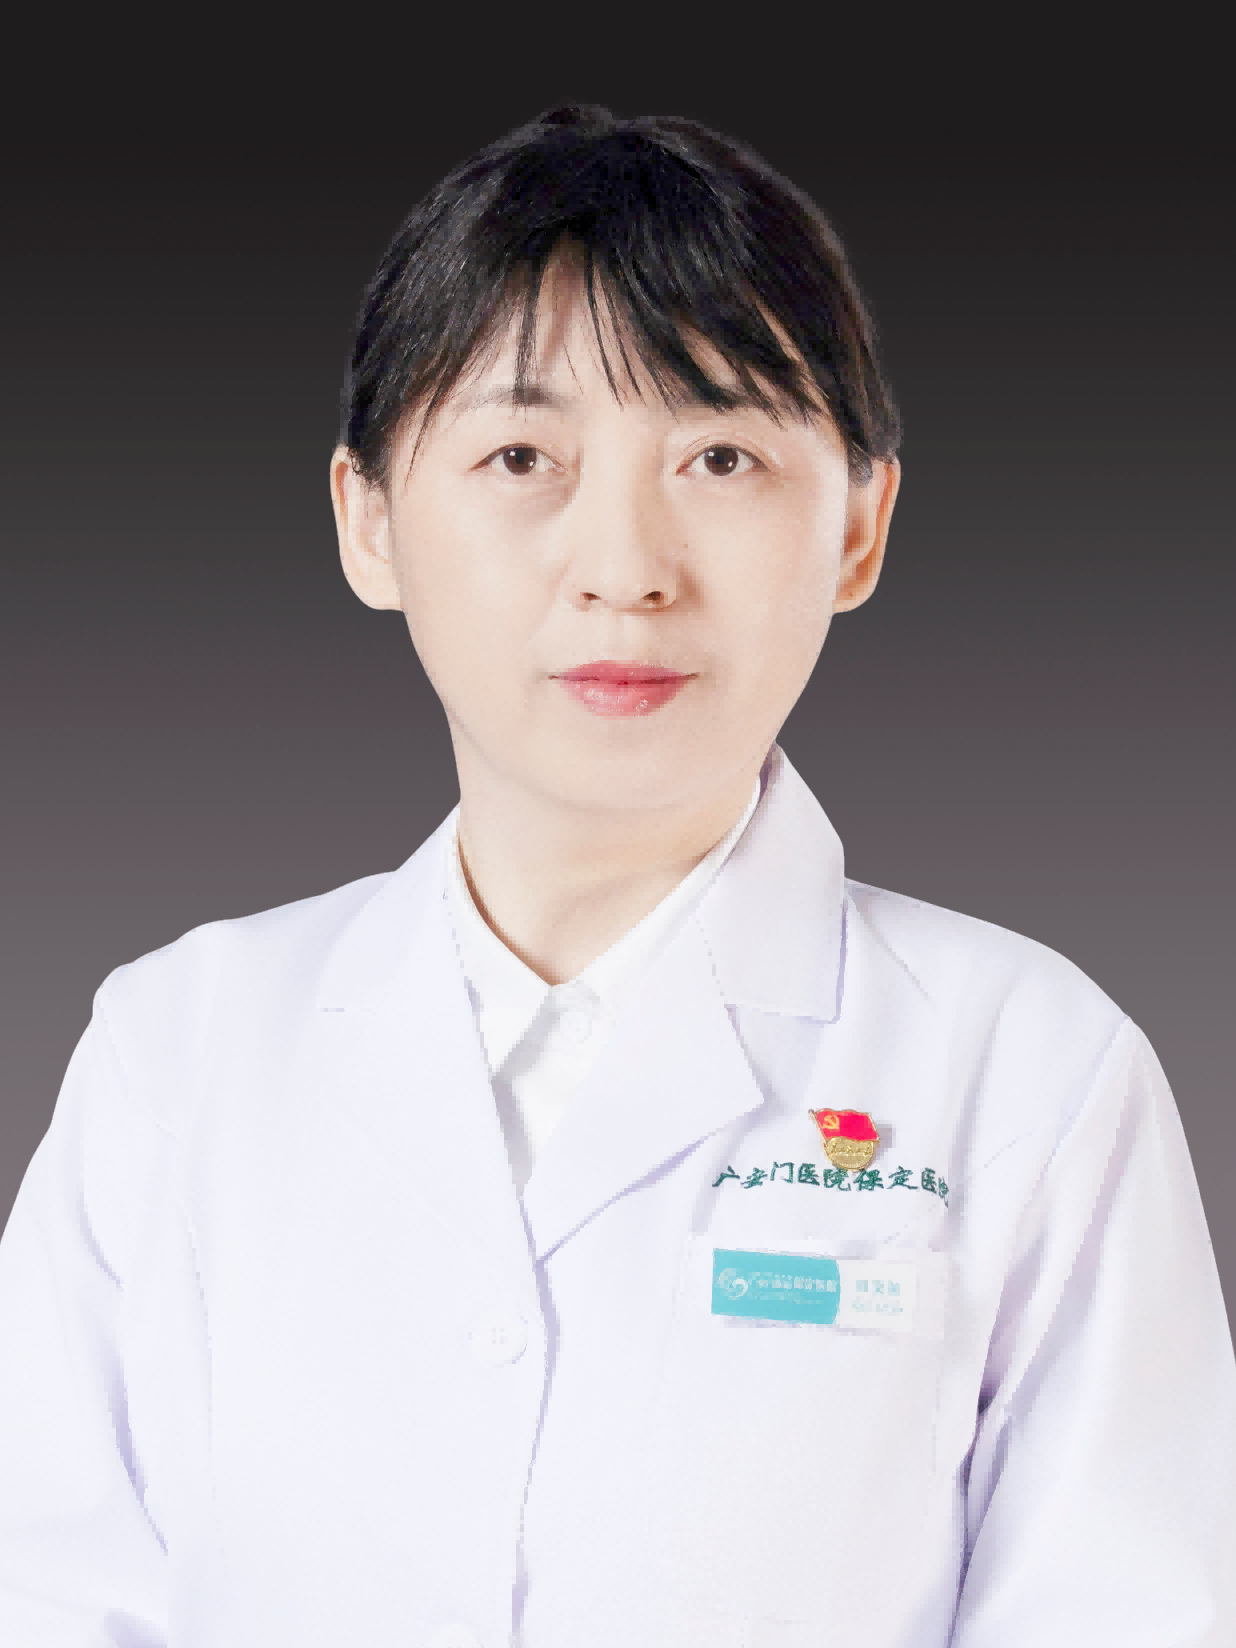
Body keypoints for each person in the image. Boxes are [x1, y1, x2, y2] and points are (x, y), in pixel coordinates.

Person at [0, 104, 1232, 1648]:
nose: (625, 568)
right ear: (368, 523)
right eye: (523, 456)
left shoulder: (1030, 1071)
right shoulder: (179, 1050)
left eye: (719, 455)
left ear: (860, 529)